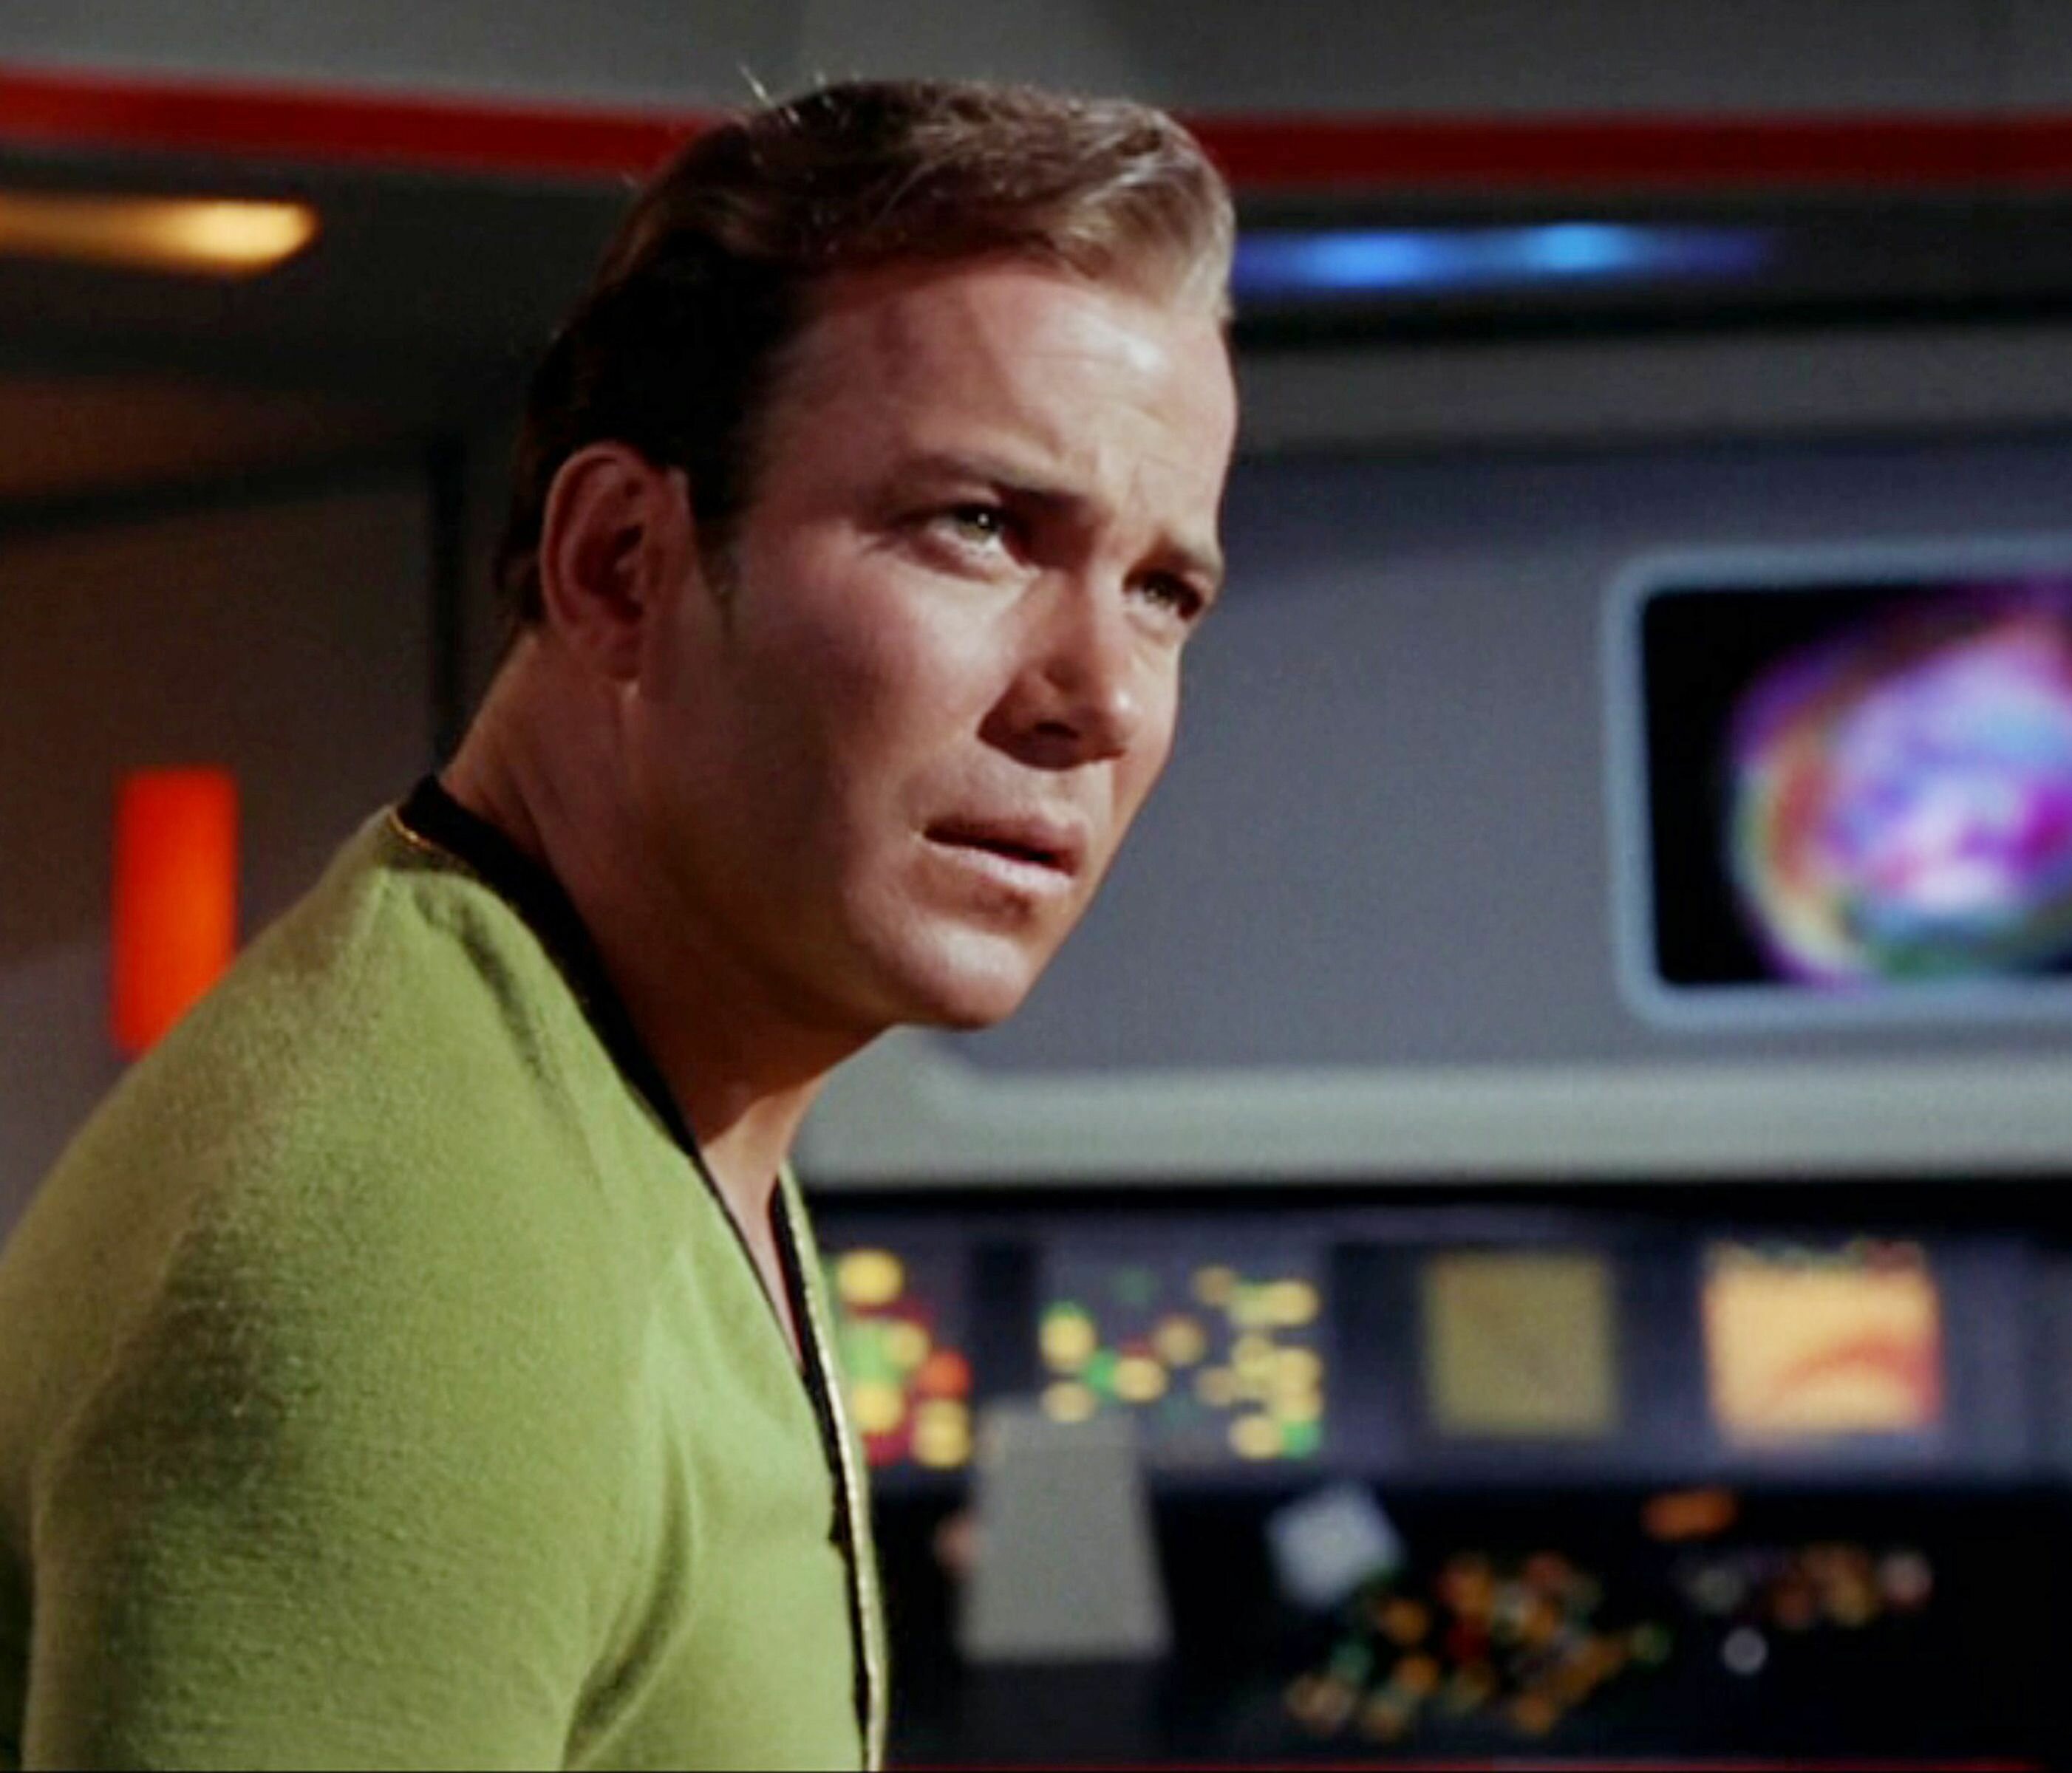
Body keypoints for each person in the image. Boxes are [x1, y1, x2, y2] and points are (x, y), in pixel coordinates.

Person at [0, 78, 1236, 1770]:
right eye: (979, 527)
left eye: (1164, 590)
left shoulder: (615, 1098)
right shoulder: (410, 1253)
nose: (1099, 697)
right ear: (618, 567)